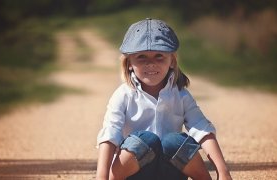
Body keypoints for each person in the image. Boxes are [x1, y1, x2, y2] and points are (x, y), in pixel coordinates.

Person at [96, 18, 232, 180]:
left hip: (170, 173)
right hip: (136, 174)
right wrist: (101, 176)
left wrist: (223, 171)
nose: (151, 63)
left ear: (172, 61)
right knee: (146, 140)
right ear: (129, 62)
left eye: (159, 56)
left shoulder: (181, 95)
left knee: (174, 141)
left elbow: (202, 130)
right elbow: (110, 135)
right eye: (142, 57)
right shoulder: (123, 95)